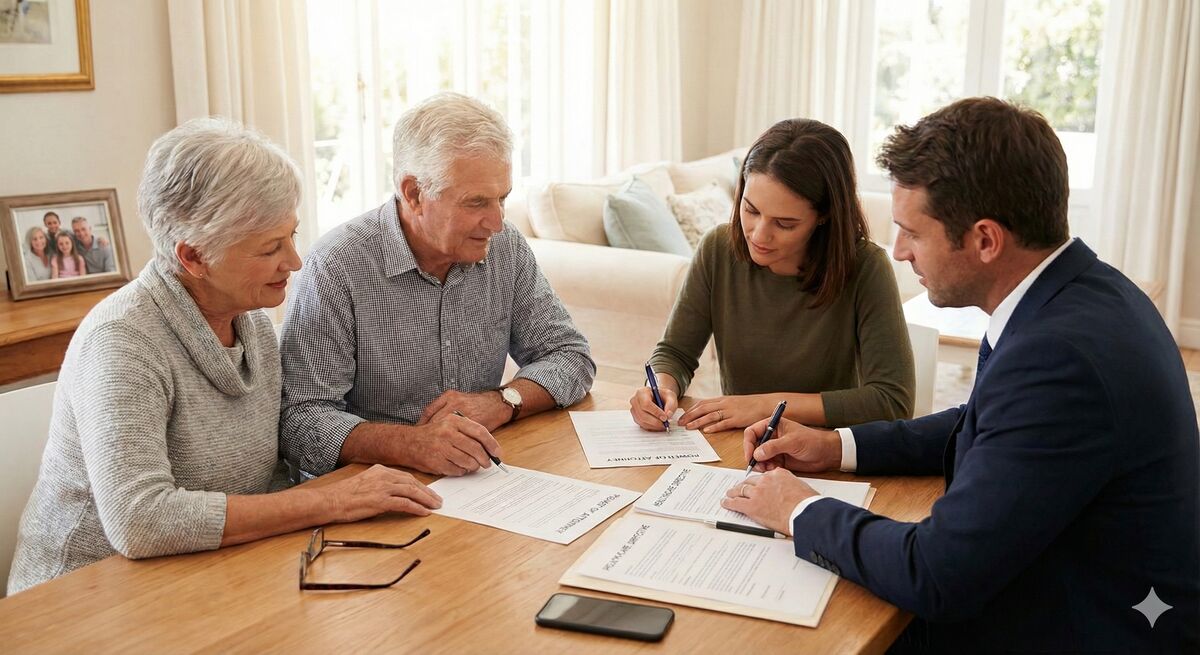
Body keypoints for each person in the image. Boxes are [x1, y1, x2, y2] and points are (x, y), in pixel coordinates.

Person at [721, 98, 1199, 652]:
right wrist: (834, 447)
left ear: (986, 240)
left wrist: (798, 510)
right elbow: (985, 423)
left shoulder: (1059, 358)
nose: (897, 252)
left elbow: (936, 575)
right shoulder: (1082, 292)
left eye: (912, 233)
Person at [7, 118, 442, 596]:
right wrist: (329, 500)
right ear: (194, 256)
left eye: (292, 236)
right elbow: (141, 519)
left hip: (212, 571)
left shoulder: (249, 316)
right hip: (85, 597)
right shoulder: (123, 341)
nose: (294, 261)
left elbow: (275, 459)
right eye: (270, 248)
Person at [280, 92, 595, 479]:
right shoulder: (336, 266)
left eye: (503, 198)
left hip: (479, 480)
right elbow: (300, 421)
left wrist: (503, 401)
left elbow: (570, 355)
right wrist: (411, 444)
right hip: (374, 486)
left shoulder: (505, 247)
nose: (497, 222)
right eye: (476, 202)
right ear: (414, 193)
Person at [630, 119, 914, 434]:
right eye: (750, 210)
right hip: (740, 445)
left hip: (823, 449)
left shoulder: (866, 267)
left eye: (785, 223)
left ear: (824, 217)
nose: (759, 235)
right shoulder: (717, 249)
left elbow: (890, 401)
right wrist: (661, 388)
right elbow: (675, 353)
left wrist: (765, 406)